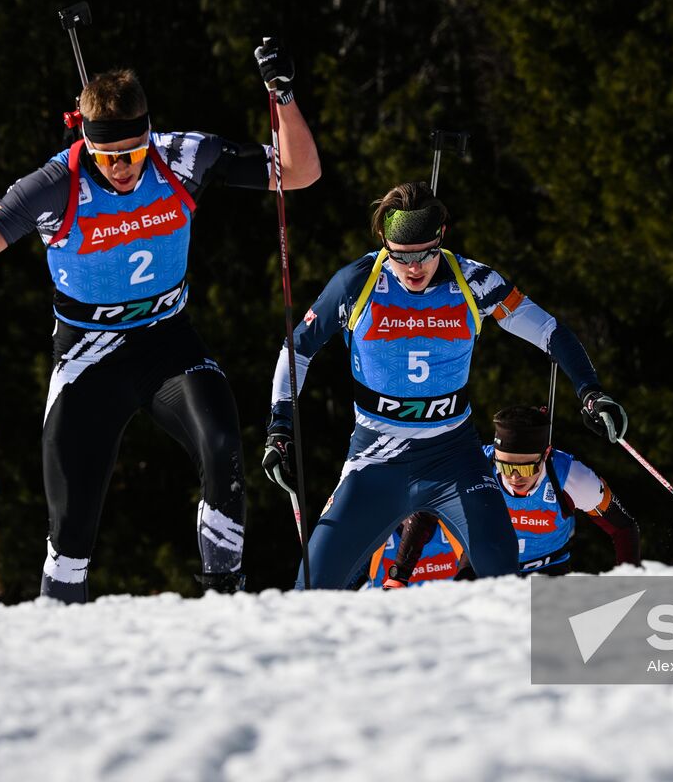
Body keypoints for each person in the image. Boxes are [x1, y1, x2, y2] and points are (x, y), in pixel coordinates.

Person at [0, 41, 320, 602]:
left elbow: (299, 173)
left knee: (222, 445)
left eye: (134, 154)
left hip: (168, 343)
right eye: (110, 156)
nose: (123, 168)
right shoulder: (55, 185)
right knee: (71, 522)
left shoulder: (183, 158)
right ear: (85, 142)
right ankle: (62, 628)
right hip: (89, 358)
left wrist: (281, 97)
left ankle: (225, 599)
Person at [261, 181, 628, 589]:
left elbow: (548, 331)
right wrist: (279, 425)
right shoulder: (356, 283)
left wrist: (591, 391)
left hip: (454, 457)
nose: (414, 267)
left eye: (426, 254)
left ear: (442, 239)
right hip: (375, 459)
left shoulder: (474, 282)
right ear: (384, 242)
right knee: (310, 588)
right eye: (402, 257)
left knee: (502, 572)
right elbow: (297, 349)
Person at [385, 405, 641, 585]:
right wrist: (398, 576)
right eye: (506, 466)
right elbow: (425, 514)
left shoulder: (571, 476)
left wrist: (629, 580)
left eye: (526, 467)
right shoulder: (476, 465)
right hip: (482, 566)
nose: (514, 477)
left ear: (546, 455)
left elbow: (623, 527)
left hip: (548, 569)